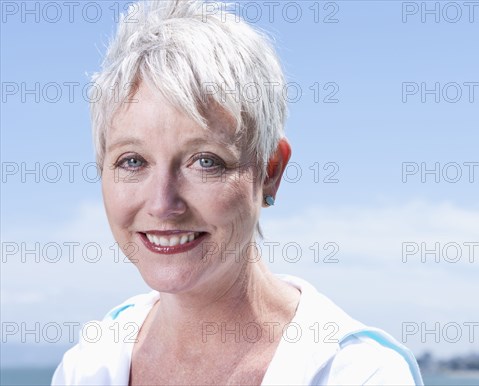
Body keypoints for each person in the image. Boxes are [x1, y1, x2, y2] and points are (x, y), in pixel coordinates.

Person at [52, 1, 423, 384]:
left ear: (270, 170)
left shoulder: (357, 374)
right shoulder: (89, 363)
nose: (163, 204)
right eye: (132, 162)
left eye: (205, 161)